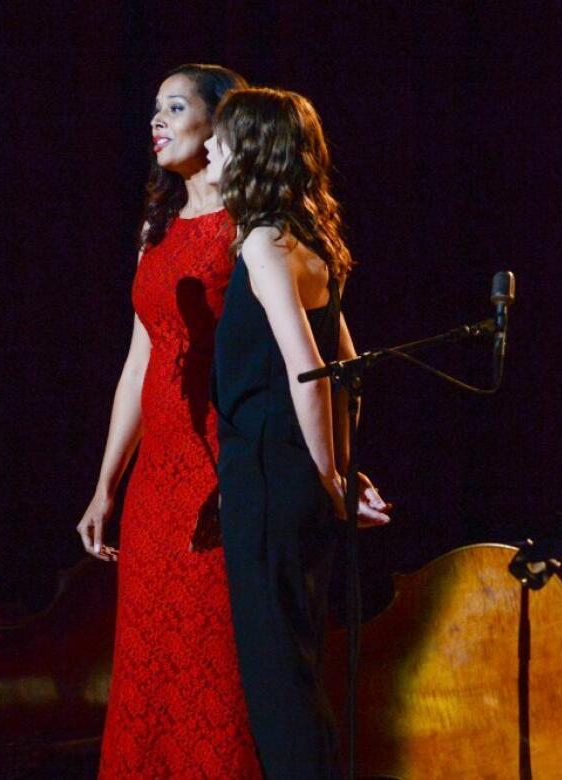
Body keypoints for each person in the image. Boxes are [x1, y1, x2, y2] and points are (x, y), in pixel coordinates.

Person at [75, 64, 265, 777]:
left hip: (220, 464)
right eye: (153, 109)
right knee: (151, 664)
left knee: (213, 658)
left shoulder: (251, 223)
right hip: (156, 477)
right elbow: (139, 361)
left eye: (174, 107)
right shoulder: (156, 226)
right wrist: (106, 485)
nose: (156, 121)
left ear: (219, 122)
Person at [205, 86, 391, 778]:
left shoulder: (259, 242)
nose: (211, 153)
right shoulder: (309, 240)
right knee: (299, 670)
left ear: (250, 150)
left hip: (265, 478)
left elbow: (310, 371)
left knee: (277, 684)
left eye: (221, 142)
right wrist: (340, 469)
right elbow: (351, 370)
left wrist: (333, 479)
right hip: (297, 481)